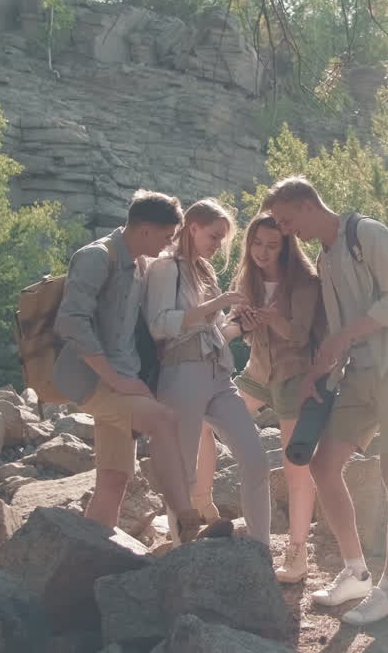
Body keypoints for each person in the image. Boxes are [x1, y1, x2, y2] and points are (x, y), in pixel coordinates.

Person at [263, 177, 388, 625]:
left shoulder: (368, 233)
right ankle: (356, 572)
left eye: (286, 219)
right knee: (321, 465)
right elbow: (339, 333)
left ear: (306, 205)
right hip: (359, 374)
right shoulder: (326, 255)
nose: (285, 229)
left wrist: (342, 337)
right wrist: (320, 374)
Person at [53, 190, 210, 542]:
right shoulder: (97, 257)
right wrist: (116, 379)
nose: (169, 244)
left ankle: (88, 556)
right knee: (163, 420)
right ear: (143, 230)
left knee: (113, 479)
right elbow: (71, 322)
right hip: (95, 382)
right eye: (166, 236)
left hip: (123, 378)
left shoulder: (140, 263)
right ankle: (187, 520)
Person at [144, 198, 271, 546]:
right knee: (182, 469)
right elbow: (158, 325)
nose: (218, 246)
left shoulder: (205, 271)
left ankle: (260, 547)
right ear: (193, 227)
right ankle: (183, 550)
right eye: (214, 237)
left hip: (218, 374)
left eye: (222, 239)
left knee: (255, 459)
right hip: (180, 373)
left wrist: (241, 325)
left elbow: (216, 332)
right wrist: (214, 306)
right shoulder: (165, 267)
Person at [231, 212, 322, 580]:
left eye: (272, 246)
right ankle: (203, 508)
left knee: (295, 465)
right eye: (256, 244)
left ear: (286, 247)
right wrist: (244, 323)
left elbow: (299, 336)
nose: (262, 253)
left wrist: (269, 320)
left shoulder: (304, 282)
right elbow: (245, 333)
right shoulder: (248, 277)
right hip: (257, 372)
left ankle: (298, 552)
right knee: (208, 422)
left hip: (293, 377)